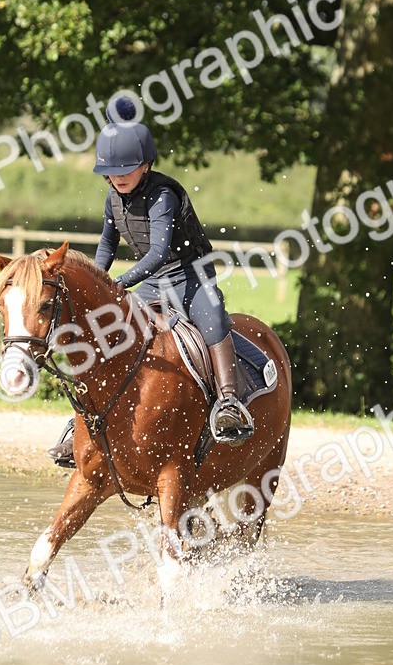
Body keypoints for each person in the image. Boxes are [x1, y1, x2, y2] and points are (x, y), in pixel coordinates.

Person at [48, 97, 253, 467]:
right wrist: (97, 281)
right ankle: (82, 421)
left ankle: (228, 402)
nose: (118, 176)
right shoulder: (113, 197)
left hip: (190, 274)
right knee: (106, 332)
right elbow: (107, 244)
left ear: (145, 165)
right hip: (153, 281)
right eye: (110, 170)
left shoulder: (163, 196)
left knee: (213, 321)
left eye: (126, 169)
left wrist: (119, 283)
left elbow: (159, 252)